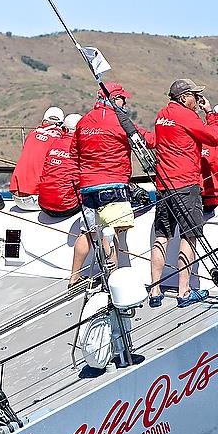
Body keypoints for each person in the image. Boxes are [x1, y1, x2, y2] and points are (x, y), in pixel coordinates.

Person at [68, 83, 155, 287]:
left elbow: (74, 153)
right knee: (111, 232)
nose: (125, 102)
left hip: (88, 188)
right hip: (113, 186)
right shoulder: (120, 121)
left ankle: (74, 277)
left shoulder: (84, 121)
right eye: (122, 98)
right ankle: (112, 280)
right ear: (114, 99)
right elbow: (146, 140)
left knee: (88, 232)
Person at [149, 78, 218, 308]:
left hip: (164, 185)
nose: (197, 99)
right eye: (194, 95)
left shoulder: (161, 115)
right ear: (183, 97)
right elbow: (213, 137)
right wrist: (210, 114)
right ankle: (184, 291)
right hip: (185, 185)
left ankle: (155, 290)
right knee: (189, 237)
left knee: (162, 236)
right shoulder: (187, 116)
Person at [10, 107, 64, 210]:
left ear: (44, 121)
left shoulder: (32, 134)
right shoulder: (59, 139)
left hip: (16, 198)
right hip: (35, 199)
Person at [38, 113, 82, 217]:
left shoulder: (55, 143)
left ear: (64, 129)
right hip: (67, 207)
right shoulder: (82, 147)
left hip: (43, 205)